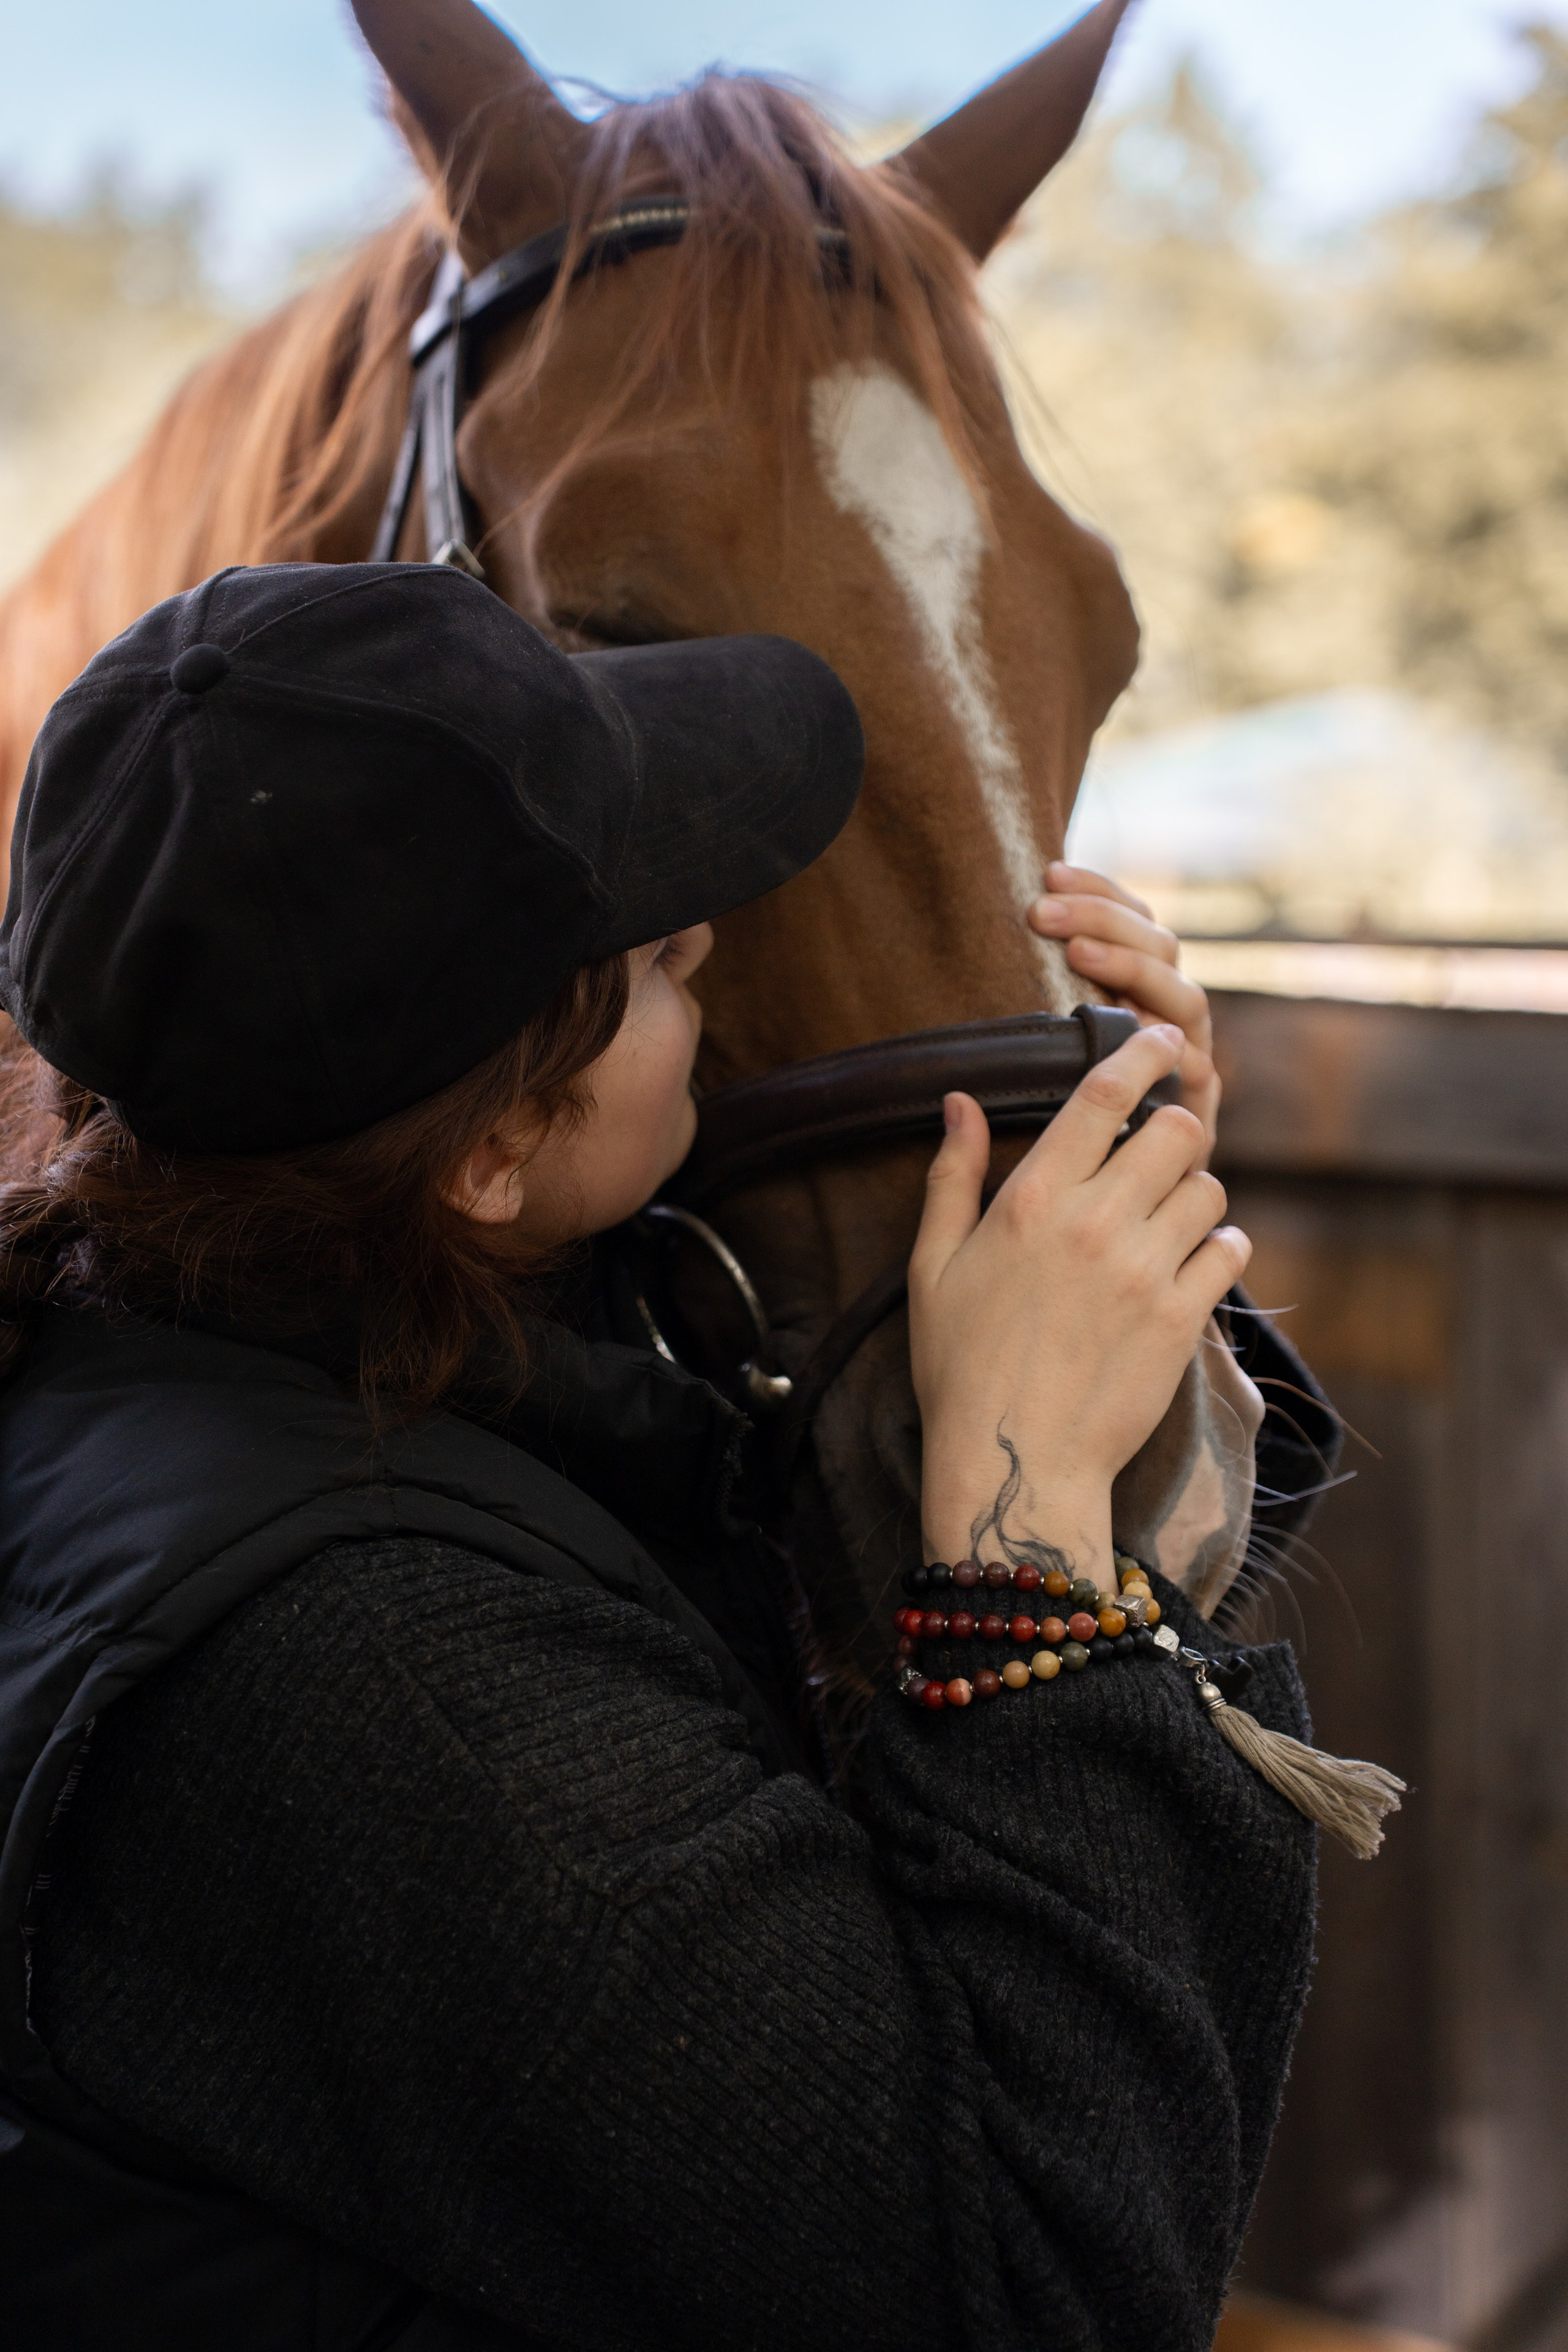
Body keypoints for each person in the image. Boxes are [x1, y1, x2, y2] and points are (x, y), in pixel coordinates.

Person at [0, 562, 1318, 2352]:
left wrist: (1086, 1170)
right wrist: (1029, 1532)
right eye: (645, 955)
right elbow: (1028, 2279)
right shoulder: (369, 1677)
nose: (712, 941)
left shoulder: (283, 1334)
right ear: (491, 1152)